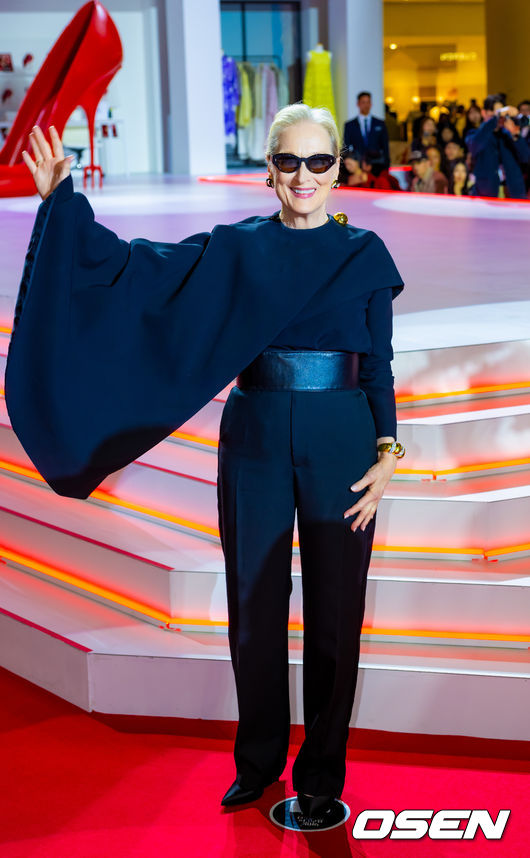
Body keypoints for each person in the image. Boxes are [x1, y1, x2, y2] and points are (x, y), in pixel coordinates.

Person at [7, 105, 405, 823]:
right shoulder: (236, 248)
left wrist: (387, 452)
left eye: (319, 161)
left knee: (336, 612)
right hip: (254, 435)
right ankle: (258, 762)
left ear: (338, 170)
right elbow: (136, 270)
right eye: (289, 161)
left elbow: (378, 366)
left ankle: (322, 775)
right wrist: (61, 202)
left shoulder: (366, 253)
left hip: (343, 441)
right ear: (269, 170)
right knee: (254, 606)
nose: (305, 176)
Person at [465, 94, 528, 199]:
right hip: (486, 194)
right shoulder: (475, 134)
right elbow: (474, 146)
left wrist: (515, 135)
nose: (500, 117)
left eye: (502, 113)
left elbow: (525, 157)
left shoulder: (508, 135)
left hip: (513, 194)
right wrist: (495, 119)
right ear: (484, 113)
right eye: (496, 113)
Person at [343, 90, 390, 167]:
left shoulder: (380, 123)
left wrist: (387, 165)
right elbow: (346, 147)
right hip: (357, 165)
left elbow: (385, 147)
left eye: (368, 102)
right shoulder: (349, 125)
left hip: (376, 165)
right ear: (358, 104)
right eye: (363, 102)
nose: (366, 105)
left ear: (371, 104)